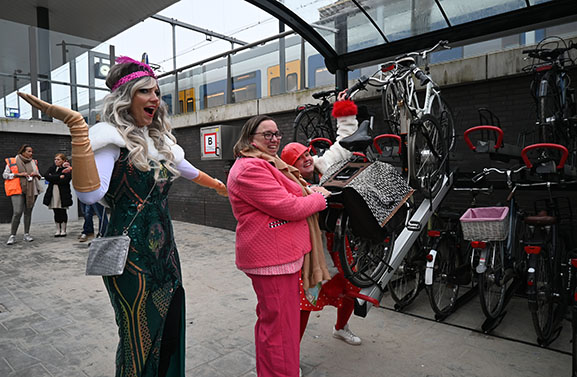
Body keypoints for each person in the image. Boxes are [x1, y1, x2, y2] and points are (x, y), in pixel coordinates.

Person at [19, 55, 228, 377]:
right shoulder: (108, 139)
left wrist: (221, 187)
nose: (155, 99)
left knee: (170, 325)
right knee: (138, 334)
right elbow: (90, 195)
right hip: (128, 256)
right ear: (126, 97)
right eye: (146, 91)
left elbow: (189, 171)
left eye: (157, 92)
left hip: (166, 253)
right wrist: (78, 130)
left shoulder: (161, 142)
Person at [227, 114, 332, 377]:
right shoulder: (251, 168)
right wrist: (318, 198)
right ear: (250, 138)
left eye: (277, 134)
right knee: (282, 331)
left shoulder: (266, 163)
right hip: (272, 259)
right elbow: (289, 207)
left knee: (272, 324)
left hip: (278, 257)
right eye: (267, 134)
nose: (273, 139)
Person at [280, 93, 363, 346]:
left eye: (306, 153)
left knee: (351, 287)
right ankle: (292, 355)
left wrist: (345, 110)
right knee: (305, 301)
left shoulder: (322, 165)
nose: (306, 158)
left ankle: (341, 327)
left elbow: (344, 142)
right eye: (299, 158)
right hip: (309, 250)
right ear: (290, 166)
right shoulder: (286, 186)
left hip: (336, 242)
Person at [3, 144, 43, 245]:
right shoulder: (12, 161)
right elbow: (5, 175)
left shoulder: (33, 162)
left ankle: (26, 234)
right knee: (17, 212)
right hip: (17, 189)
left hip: (31, 190)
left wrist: (36, 174)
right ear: (23, 152)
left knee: (28, 211)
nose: (31, 153)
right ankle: (12, 235)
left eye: (31, 151)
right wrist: (18, 174)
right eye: (29, 151)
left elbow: (39, 175)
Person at [43, 153, 73, 237]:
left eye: (58, 159)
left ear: (63, 160)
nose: (56, 161)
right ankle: (57, 229)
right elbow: (46, 176)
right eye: (55, 159)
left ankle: (63, 230)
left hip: (63, 193)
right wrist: (59, 177)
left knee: (63, 210)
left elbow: (65, 180)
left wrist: (53, 178)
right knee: (55, 211)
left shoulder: (67, 169)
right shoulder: (52, 168)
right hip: (53, 192)